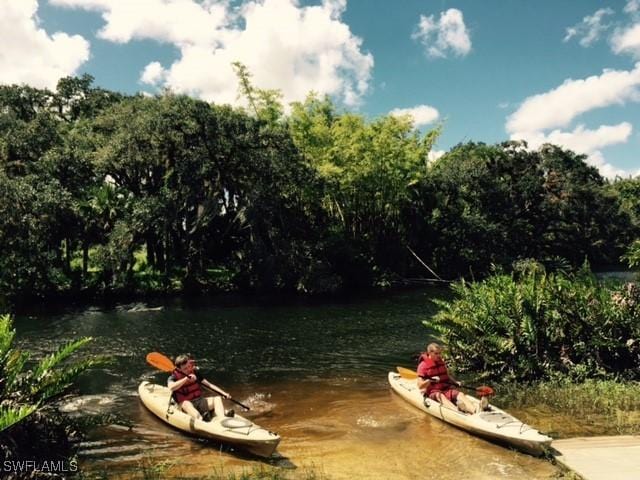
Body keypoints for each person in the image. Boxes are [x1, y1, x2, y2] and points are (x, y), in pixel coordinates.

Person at [416, 342, 482, 414]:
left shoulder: (441, 362)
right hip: (433, 392)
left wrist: (455, 382)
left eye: (439, 353)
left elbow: (447, 376)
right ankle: (458, 413)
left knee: (460, 394)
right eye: (436, 353)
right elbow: (420, 385)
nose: (439, 355)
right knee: (440, 396)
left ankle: (475, 411)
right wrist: (429, 380)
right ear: (430, 353)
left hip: (446, 389)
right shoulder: (423, 366)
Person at [167, 354, 234, 421]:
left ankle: (222, 420)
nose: (188, 369)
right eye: (185, 368)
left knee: (217, 399)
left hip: (199, 401)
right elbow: (171, 387)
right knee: (186, 403)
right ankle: (200, 419)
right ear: (179, 369)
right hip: (185, 405)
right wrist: (185, 379)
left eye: (189, 366)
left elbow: (209, 385)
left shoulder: (194, 373)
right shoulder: (173, 377)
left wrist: (223, 393)